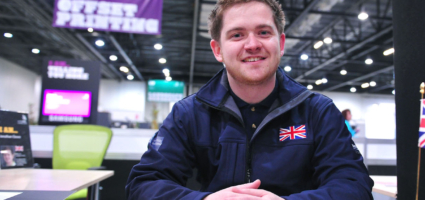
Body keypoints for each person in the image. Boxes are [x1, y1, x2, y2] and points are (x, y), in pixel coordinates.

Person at [125, 0, 373, 199]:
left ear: (281, 43)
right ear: (217, 50)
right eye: (237, 35)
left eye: (264, 32)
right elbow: (144, 184)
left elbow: (354, 185)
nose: (252, 44)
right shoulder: (189, 113)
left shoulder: (317, 111)